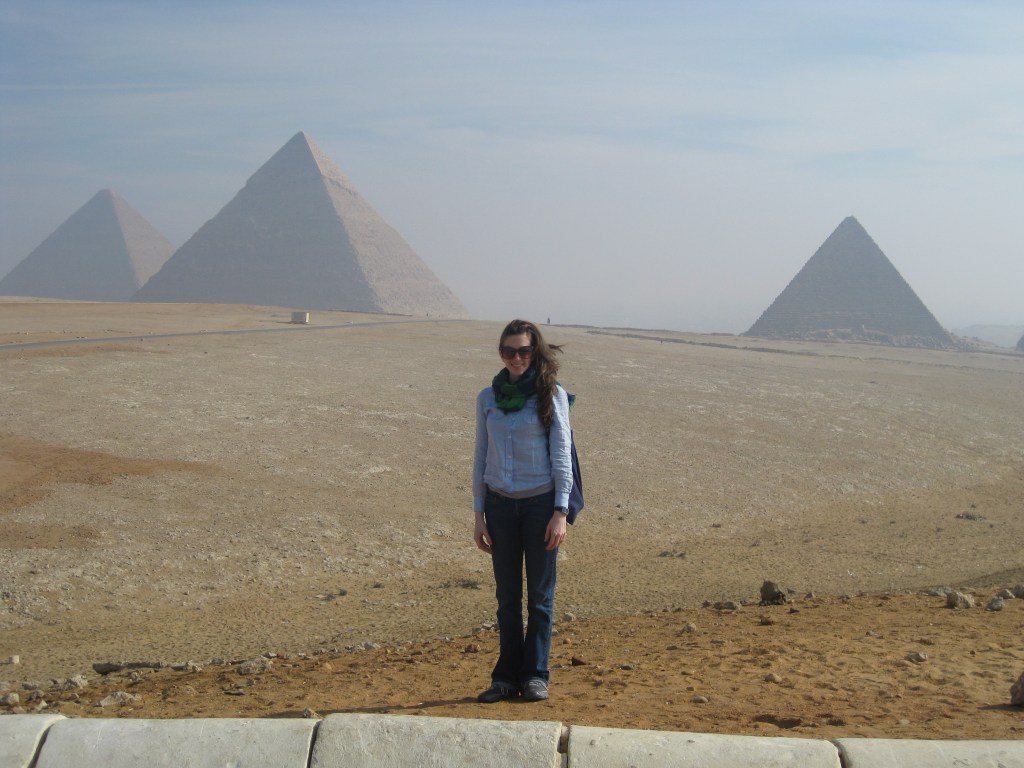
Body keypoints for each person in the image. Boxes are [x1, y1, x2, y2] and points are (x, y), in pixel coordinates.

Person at [473, 318, 573, 703]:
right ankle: (505, 678)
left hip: (539, 506)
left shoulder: (551, 395)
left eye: (524, 351)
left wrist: (560, 512)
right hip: (499, 506)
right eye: (509, 351)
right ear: (501, 353)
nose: (517, 358)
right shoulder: (487, 398)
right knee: (507, 599)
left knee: (540, 599)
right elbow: (481, 454)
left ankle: (535, 675)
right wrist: (478, 513)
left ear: (536, 352)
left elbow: (561, 455)